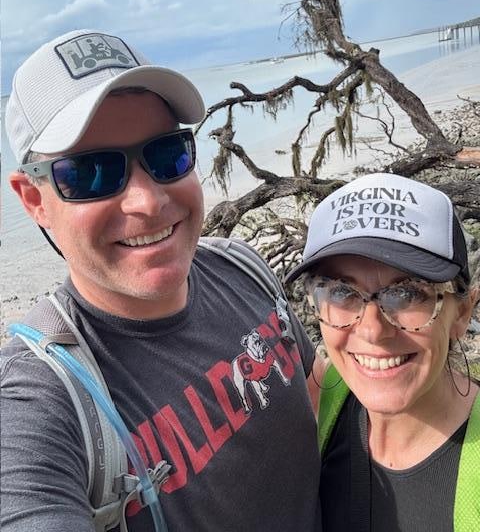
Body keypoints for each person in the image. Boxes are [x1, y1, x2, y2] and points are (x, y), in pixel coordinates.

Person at [1, 30, 321, 532]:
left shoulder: (243, 270)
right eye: (90, 172)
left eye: (167, 154)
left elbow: (316, 389)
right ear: (34, 199)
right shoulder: (39, 401)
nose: (147, 201)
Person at [285, 172, 480, 531]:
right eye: (341, 291)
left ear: (462, 312)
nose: (373, 331)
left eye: (408, 292)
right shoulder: (326, 403)